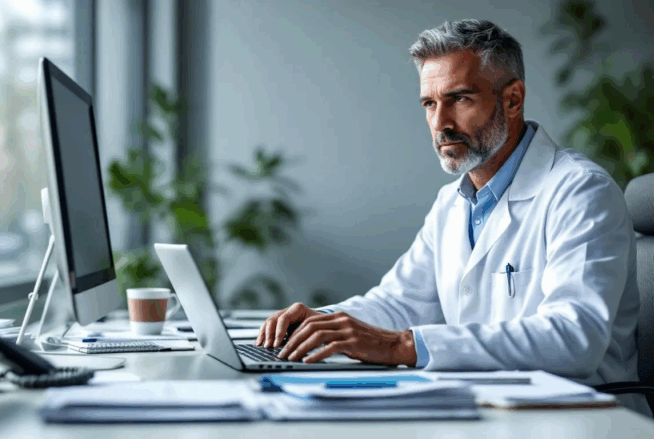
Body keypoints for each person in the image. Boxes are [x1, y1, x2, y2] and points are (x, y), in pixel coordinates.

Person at [254, 19, 650, 416]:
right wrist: (321, 323)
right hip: (490, 408)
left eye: (459, 99)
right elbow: (399, 302)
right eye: (430, 103)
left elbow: (574, 337)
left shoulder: (580, 191)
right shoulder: (453, 202)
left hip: (583, 417)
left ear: (512, 99)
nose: (441, 124)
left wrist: (402, 346)